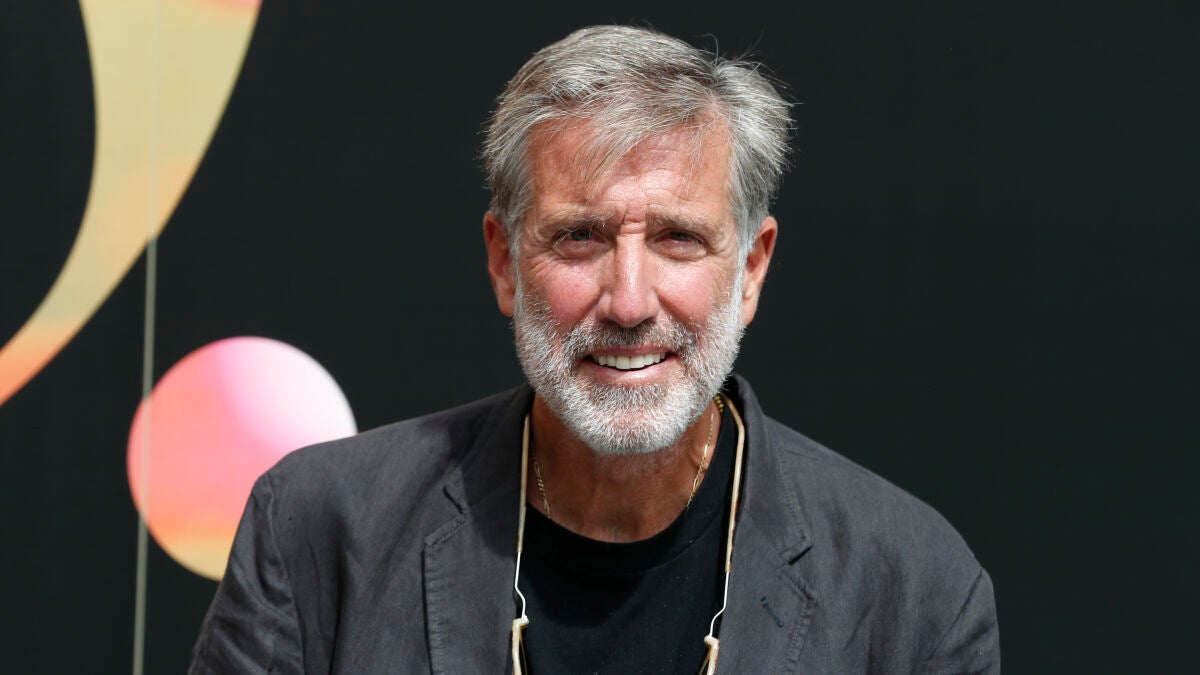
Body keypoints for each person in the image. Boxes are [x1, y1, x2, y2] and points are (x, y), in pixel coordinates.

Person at [190, 25, 999, 674]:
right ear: (504, 262)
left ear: (751, 270)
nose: (630, 300)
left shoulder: (914, 590)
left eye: (679, 238)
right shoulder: (318, 533)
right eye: (579, 236)